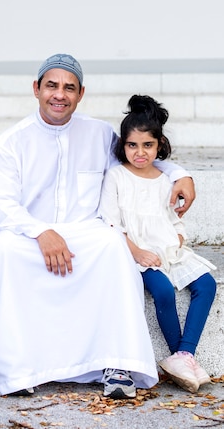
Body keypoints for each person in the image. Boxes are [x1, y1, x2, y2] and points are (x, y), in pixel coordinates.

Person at [0, 54, 196, 399]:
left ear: (81, 94)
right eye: (52, 86)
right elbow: (0, 204)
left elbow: (140, 158)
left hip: (87, 232)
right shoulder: (11, 142)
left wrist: (180, 174)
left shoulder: (100, 133)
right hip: (27, 234)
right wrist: (41, 232)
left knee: (112, 246)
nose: (59, 95)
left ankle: (115, 363)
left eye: (69, 88)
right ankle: (19, 368)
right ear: (36, 89)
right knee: (6, 250)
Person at [99, 94, 216, 393]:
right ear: (122, 146)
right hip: (136, 253)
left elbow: (175, 219)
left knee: (206, 284)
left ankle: (184, 354)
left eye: (147, 145)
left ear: (159, 145)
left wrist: (177, 239)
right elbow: (111, 222)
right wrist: (136, 251)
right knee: (162, 291)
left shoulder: (166, 179)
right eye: (132, 145)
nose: (140, 153)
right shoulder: (116, 176)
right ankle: (180, 353)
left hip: (168, 251)